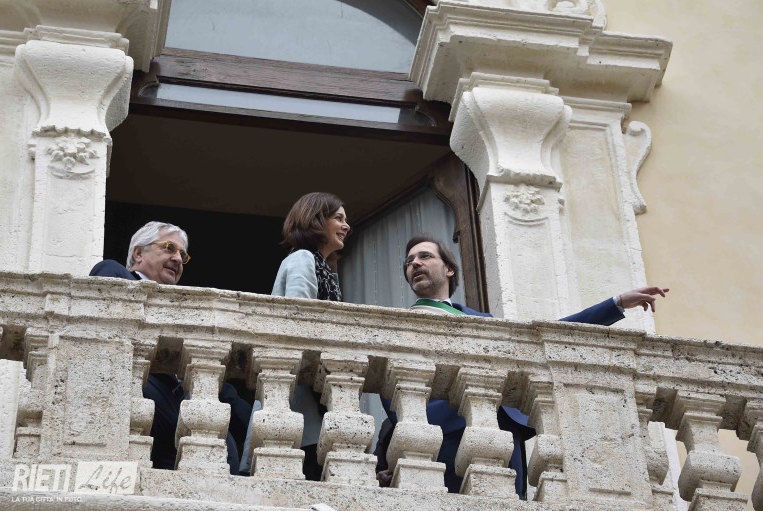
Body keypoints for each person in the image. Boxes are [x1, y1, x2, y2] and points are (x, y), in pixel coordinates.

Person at [375, 234, 669, 497]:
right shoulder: (402, 325)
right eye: (409, 261)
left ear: (449, 269)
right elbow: (392, 391)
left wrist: (616, 304)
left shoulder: (482, 321)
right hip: (442, 439)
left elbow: (550, 337)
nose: (415, 263)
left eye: (425, 256)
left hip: (502, 435)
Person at [89, 221, 252, 474]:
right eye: (168, 248)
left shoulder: (185, 312)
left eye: (183, 255)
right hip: (144, 392)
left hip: (181, 414)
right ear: (138, 253)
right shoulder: (115, 272)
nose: (177, 259)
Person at [240, 192, 350, 480]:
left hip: (309, 404)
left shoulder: (324, 268)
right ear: (317, 220)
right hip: (300, 403)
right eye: (338, 218)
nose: (346, 225)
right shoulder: (303, 258)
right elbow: (301, 326)